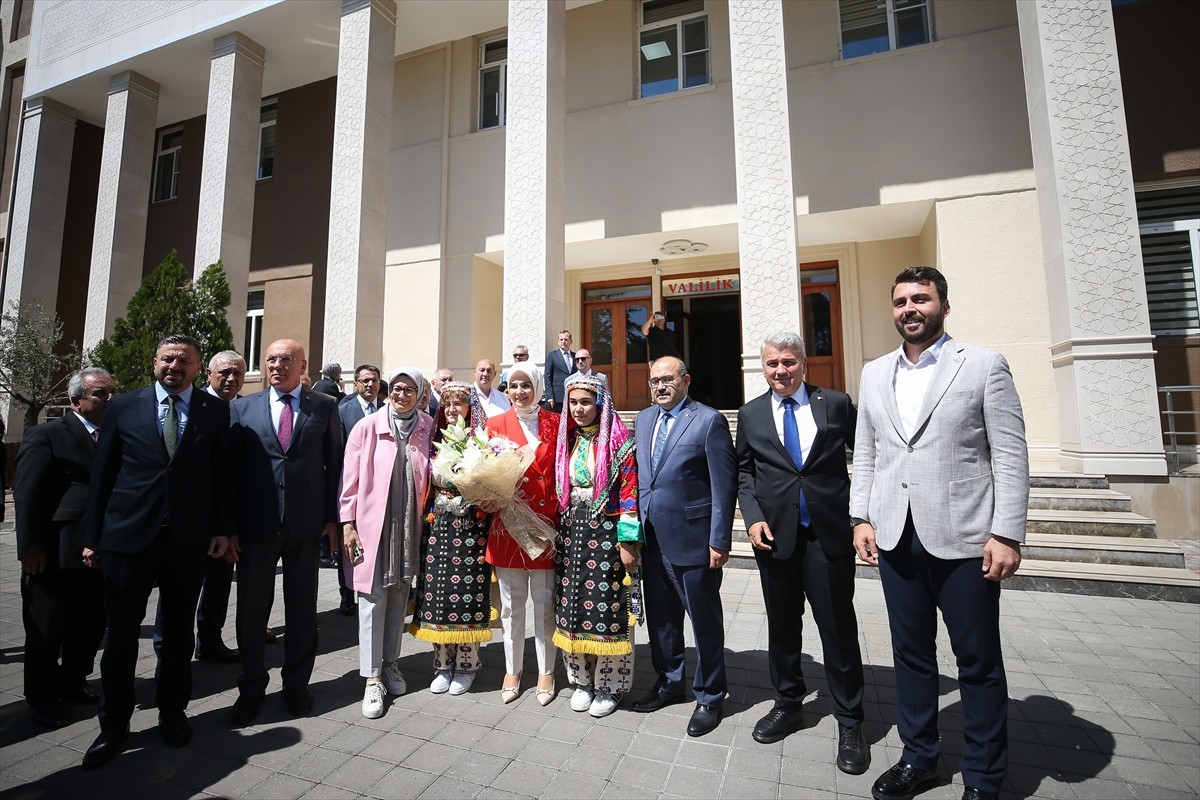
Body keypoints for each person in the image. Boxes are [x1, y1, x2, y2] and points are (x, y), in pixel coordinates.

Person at [852, 266, 1028, 800]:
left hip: (966, 537)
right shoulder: (874, 372)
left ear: (944, 307)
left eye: (921, 299)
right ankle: (920, 757)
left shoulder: (982, 365)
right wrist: (861, 516)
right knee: (910, 655)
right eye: (901, 300)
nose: (910, 308)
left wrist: (1008, 532)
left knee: (976, 661)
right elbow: (867, 452)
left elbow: (1011, 455)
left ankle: (982, 777)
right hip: (896, 536)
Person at [80, 335, 232, 769]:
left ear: (197, 369)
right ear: (154, 362)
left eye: (184, 361)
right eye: (167, 358)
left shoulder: (213, 410)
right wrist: (93, 537)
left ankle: (172, 713)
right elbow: (102, 476)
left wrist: (222, 529)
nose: (174, 365)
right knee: (122, 636)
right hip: (128, 538)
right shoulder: (124, 406)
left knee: (179, 635)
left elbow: (221, 475)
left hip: (186, 542)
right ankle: (113, 725)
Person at [735, 331, 869, 774]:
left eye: (788, 362)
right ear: (763, 367)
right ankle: (788, 702)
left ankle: (850, 721)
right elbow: (744, 472)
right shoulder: (751, 414)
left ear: (804, 363)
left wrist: (861, 517)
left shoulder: (835, 404)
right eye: (772, 364)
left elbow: (866, 457)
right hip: (775, 540)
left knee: (838, 631)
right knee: (783, 629)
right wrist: (752, 517)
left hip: (828, 539)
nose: (780, 371)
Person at [228, 339, 344, 726]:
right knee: (249, 612)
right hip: (256, 526)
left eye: (285, 360)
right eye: (271, 359)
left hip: (306, 525)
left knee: (301, 610)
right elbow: (232, 471)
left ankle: (296, 684)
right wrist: (229, 528)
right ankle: (251, 686)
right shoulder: (242, 407)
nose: (277, 365)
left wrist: (333, 519)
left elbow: (335, 467)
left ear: (303, 365)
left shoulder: (324, 407)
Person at [632, 356, 735, 737]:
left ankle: (710, 695)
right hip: (652, 538)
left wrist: (719, 539)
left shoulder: (708, 421)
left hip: (694, 540)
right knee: (661, 619)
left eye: (667, 379)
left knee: (704, 622)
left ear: (686, 380)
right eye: (654, 380)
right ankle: (670, 682)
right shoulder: (643, 419)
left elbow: (724, 486)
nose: (660, 386)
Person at [15, 368, 116, 730]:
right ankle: (42, 696)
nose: (110, 399)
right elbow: (29, 495)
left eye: (112, 392)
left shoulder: (114, 436)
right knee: (47, 628)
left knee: (90, 623)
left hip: (101, 552)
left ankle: (74, 681)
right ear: (76, 401)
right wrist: (31, 547)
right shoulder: (47, 435)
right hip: (55, 553)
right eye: (100, 394)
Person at [340, 367, 433, 718]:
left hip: (408, 527)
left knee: (398, 597)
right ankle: (372, 678)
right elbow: (349, 480)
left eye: (410, 389)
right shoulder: (367, 427)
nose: (402, 394)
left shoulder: (426, 427)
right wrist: (348, 525)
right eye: (396, 388)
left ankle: (391, 662)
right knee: (372, 599)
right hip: (371, 527)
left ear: (420, 393)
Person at [150, 350, 247, 665]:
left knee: (219, 581)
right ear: (208, 374)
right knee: (176, 587)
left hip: (222, 517)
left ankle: (210, 640)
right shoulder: (189, 405)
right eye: (225, 373)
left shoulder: (244, 408)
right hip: (182, 519)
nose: (231, 379)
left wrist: (229, 524)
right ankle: (167, 646)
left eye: (237, 374)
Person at [553, 373, 640, 718]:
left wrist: (628, 541)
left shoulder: (620, 441)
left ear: (600, 403)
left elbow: (630, 493)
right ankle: (581, 680)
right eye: (573, 402)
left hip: (606, 533)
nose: (578, 408)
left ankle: (610, 684)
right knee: (571, 605)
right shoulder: (567, 440)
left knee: (608, 608)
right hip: (572, 534)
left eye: (585, 402)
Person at [410, 381, 491, 697]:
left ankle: (467, 665)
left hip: (471, 528)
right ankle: (442, 664)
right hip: (439, 527)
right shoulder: (435, 442)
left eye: (458, 404)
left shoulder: (481, 442)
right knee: (437, 596)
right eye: (447, 405)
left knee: (467, 595)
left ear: (470, 407)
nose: (452, 410)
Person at [486, 363, 560, 705]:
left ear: (538, 387)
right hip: (508, 527)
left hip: (544, 525)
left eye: (526, 385)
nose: (519, 391)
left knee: (544, 605)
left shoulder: (557, 423)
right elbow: (483, 471)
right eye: (513, 385)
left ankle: (546, 671)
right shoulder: (494, 425)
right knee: (512, 607)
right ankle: (512, 670)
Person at [335, 364, 384, 613]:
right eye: (364, 380)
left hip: (377, 486)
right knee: (348, 540)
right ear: (355, 384)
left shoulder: (386, 410)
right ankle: (346, 594)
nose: (369, 385)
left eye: (374, 380)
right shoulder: (343, 410)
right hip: (351, 481)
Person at [542, 330, 575, 413]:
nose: (563, 342)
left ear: (571, 341)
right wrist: (549, 396)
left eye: (566, 339)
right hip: (558, 397)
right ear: (558, 342)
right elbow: (547, 376)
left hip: (573, 395)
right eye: (561, 339)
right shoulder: (552, 355)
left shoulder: (576, 356)